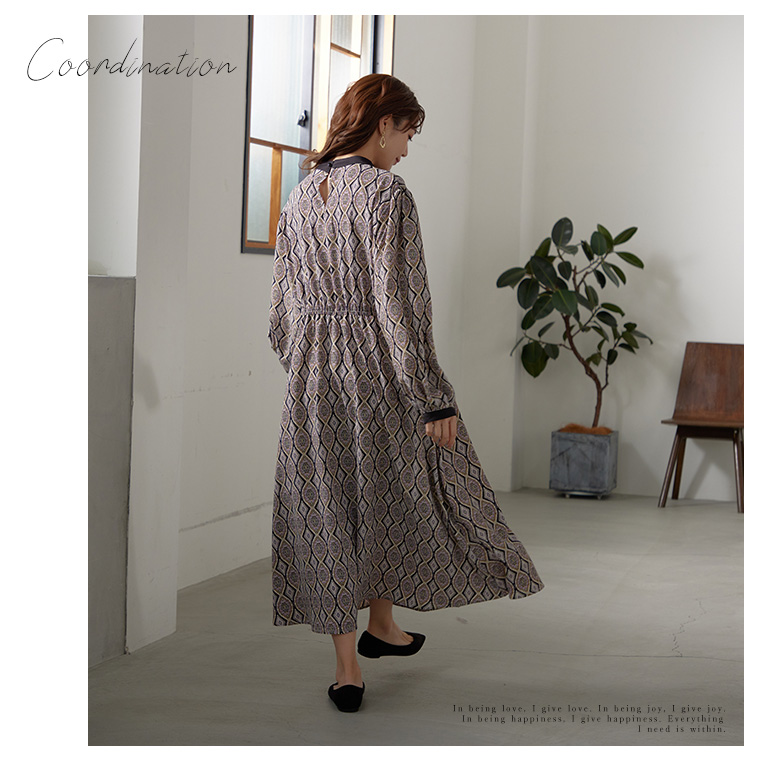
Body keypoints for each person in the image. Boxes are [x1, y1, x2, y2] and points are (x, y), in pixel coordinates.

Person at [268, 73, 544, 713]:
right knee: (396, 489)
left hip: (312, 377)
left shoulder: (301, 196)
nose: (407, 149)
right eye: (408, 133)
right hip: (379, 371)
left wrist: (308, 363)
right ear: (383, 122)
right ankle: (382, 625)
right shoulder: (386, 194)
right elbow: (400, 306)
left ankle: (357, 658)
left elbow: (281, 312)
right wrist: (432, 394)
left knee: (330, 507)